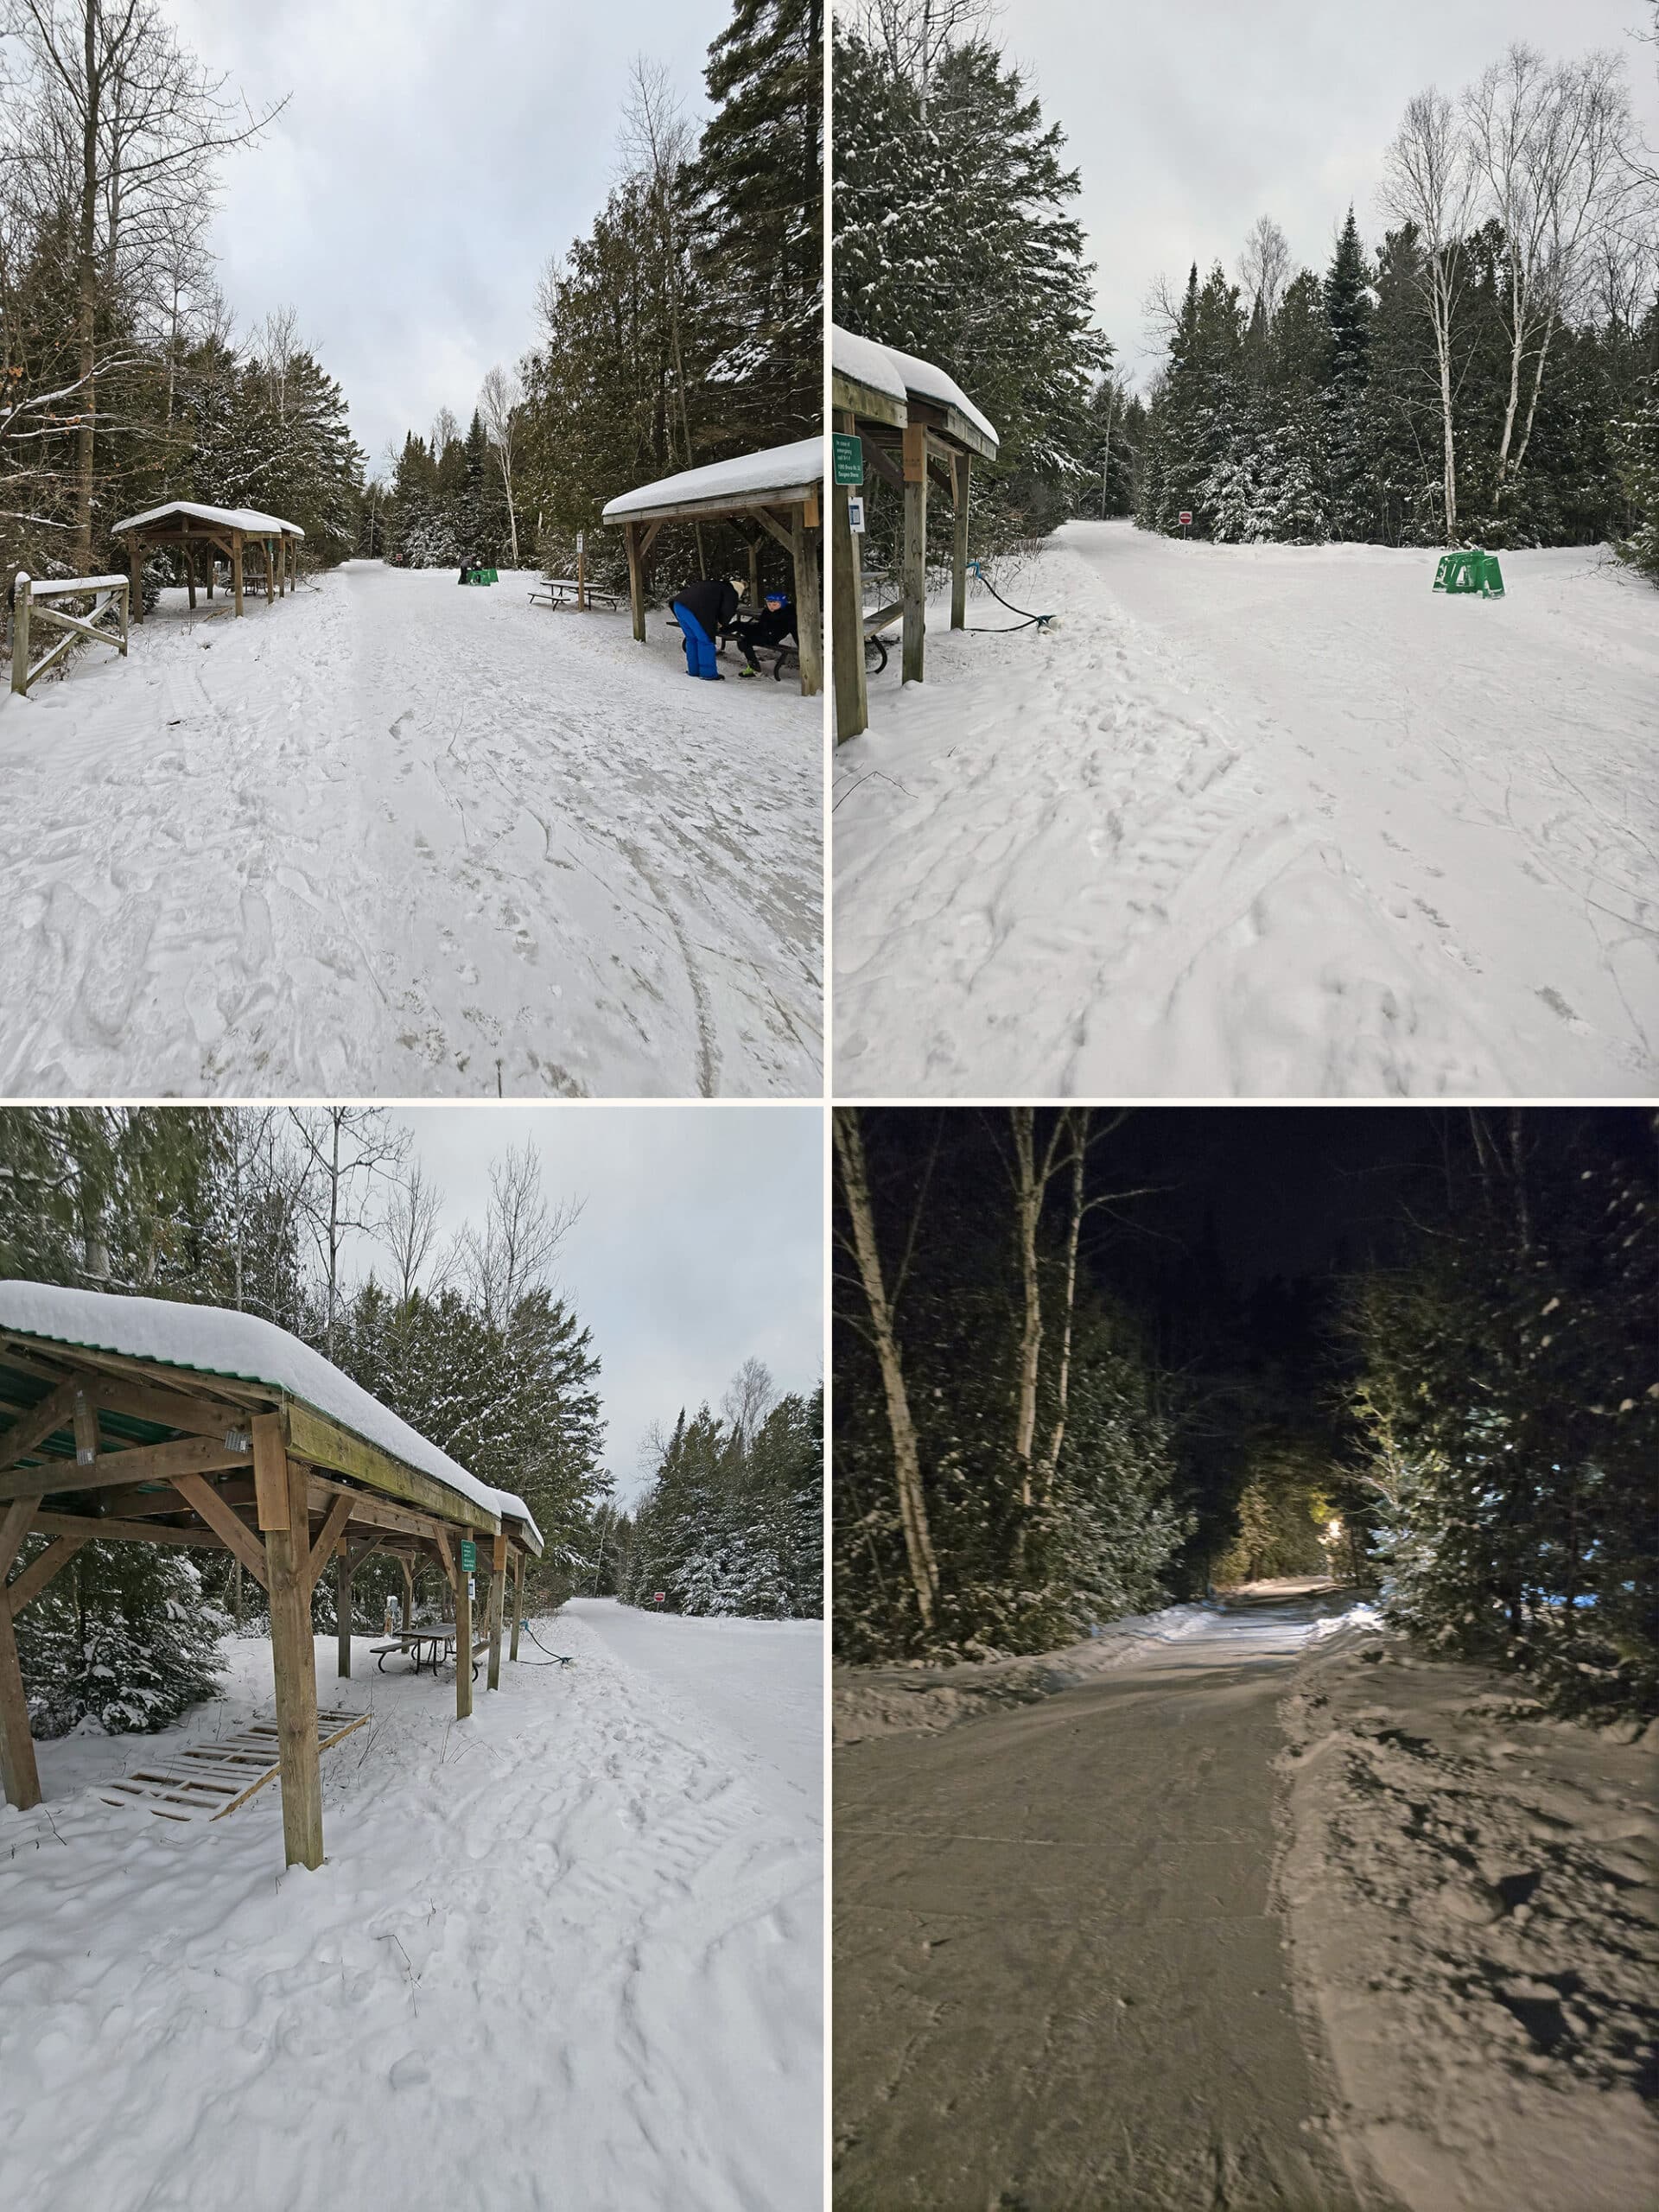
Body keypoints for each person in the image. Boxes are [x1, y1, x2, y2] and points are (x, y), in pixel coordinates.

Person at [669, 575, 738, 680]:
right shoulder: (731, 591)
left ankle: (693, 671)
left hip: (678, 605)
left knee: (692, 639)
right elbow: (728, 610)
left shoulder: (714, 584)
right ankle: (708, 674)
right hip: (695, 610)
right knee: (705, 640)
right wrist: (721, 623)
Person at [734, 591, 796, 677]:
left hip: (771, 638)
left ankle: (754, 667)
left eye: (775, 604)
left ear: (782, 603)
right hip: (762, 633)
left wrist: (801, 646)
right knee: (738, 627)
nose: (771, 607)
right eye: (769, 604)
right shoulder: (767, 611)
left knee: (745, 641)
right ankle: (718, 631)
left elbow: (794, 630)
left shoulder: (788, 614)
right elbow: (761, 624)